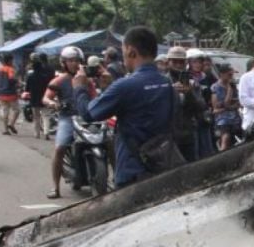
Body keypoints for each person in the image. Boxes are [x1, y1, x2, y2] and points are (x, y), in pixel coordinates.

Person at [74, 26, 179, 188]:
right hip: (163, 164)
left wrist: (80, 88)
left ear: (131, 51)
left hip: (133, 172)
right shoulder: (167, 84)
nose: (123, 57)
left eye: (123, 51)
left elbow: (89, 114)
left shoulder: (125, 86)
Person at [42, 46, 93, 198]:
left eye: (77, 60)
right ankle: (55, 187)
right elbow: (46, 97)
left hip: (86, 117)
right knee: (59, 148)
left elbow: (95, 95)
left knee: (109, 141)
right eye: (70, 60)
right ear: (64, 63)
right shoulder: (59, 81)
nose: (74, 63)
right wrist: (52, 103)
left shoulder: (86, 79)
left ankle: (117, 179)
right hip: (68, 118)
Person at [164, 46, 209, 161]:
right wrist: (170, 91)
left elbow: (201, 106)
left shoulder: (193, 83)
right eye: (175, 61)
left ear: (185, 63)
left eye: (181, 62)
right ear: (168, 62)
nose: (178, 65)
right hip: (168, 134)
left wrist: (189, 93)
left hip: (188, 133)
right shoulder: (162, 82)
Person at [186, 49, 216, 157]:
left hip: (206, 115)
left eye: (199, 62)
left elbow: (213, 91)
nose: (198, 65)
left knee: (208, 145)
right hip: (191, 117)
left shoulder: (207, 76)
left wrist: (211, 107)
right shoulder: (186, 77)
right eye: (194, 62)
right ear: (188, 63)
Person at [211, 63, 242, 150]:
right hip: (223, 120)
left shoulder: (233, 86)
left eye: (232, 74)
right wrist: (229, 90)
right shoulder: (215, 87)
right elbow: (219, 106)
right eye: (229, 74)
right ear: (222, 74)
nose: (231, 77)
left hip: (235, 119)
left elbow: (238, 101)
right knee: (226, 138)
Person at [25, 52, 54, 138]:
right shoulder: (45, 76)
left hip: (34, 99)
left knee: (36, 117)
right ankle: (46, 133)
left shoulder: (30, 76)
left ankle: (37, 134)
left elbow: (27, 89)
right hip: (44, 98)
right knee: (46, 116)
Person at [0, 53, 21, 135]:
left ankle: (6, 130)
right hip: (11, 94)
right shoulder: (10, 69)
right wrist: (17, 81)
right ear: (10, 60)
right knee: (17, 110)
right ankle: (11, 124)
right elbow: (11, 79)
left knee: (5, 112)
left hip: (1, 94)